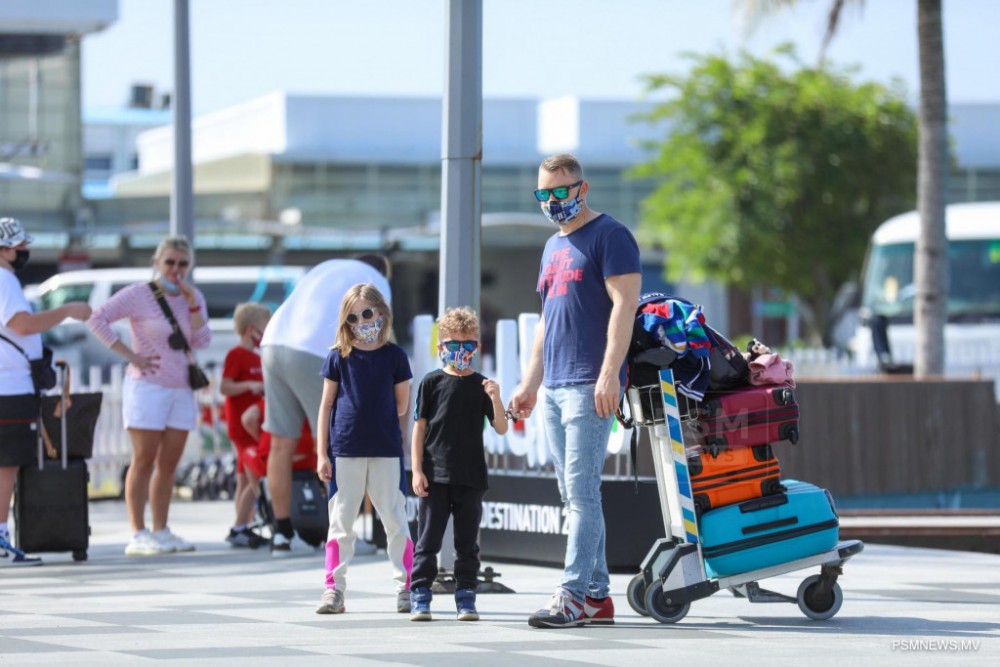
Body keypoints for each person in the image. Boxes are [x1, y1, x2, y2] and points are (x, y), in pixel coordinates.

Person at [509, 154, 642, 628]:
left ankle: (570, 594)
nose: (552, 202)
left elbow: (625, 305)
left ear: (582, 189)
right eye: (543, 194)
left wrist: (610, 373)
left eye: (560, 192)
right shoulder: (552, 246)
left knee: (582, 495)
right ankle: (597, 597)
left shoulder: (611, 235)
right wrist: (530, 383)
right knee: (574, 497)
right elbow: (547, 321)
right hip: (555, 388)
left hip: (589, 385)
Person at [87, 235, 210, 556]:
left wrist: (193, 304)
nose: (175, 269)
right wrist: (130, 355)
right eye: (169, 262)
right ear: (157, 263)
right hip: (147, 385)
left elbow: (202, 340)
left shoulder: (193, 296)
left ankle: (161, 529)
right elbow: (96, 318)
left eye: (182, 263)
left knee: (169, 463)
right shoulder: (139, 294)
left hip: (181, 387)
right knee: (143, 459)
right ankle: (138, 532)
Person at [260, 255, 391, 556]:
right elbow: (376, 337)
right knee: (336, 443)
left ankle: (282, 534)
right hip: (313, 351)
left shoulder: (329, 267)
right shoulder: (377, 282)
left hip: (273, 343)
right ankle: (342, 536)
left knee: (281, 444)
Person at [314, 283, 413, 615]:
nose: (360, 322)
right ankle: (334, 589)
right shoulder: (337, 356)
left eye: (366, 314)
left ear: (381, 313)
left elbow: (402, 406)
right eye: (352, 317)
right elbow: (326, 405)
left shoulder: (395, 356)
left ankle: (406, 587)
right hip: (345, 448)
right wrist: (322, 453)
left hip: (385, 448)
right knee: (341, 522)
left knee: (395, 519)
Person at [0, 217, 92, 567]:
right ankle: (0, 536)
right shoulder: (5, 280)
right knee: (6, 464)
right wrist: (67, 310)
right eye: (19, 246)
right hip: (10, 387)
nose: (25, 251)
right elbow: (21, 324)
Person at [409, 307, 509, 622]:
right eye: (454, 344)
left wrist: (496, 397)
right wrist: (417, 470)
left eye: (468, 344)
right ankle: (420, 594)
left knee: (467, 543)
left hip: (470, 476)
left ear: (477, 346)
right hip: (434, 475)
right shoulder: (431, 382)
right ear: (442, 346)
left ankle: (466, 596)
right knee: (428, 540)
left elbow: (501, 427)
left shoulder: (481, 385)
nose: (461, 351)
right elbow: (419, 429)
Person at [219, 303, 271, 549]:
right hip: (242, 427)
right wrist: (249, 385)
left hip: (254, 424)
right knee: (255, 477)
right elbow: (225, 386)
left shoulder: (258, 357)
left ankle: (243, 524)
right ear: (252, 330)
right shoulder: (236, 355)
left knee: (243, 479)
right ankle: (240, 526)